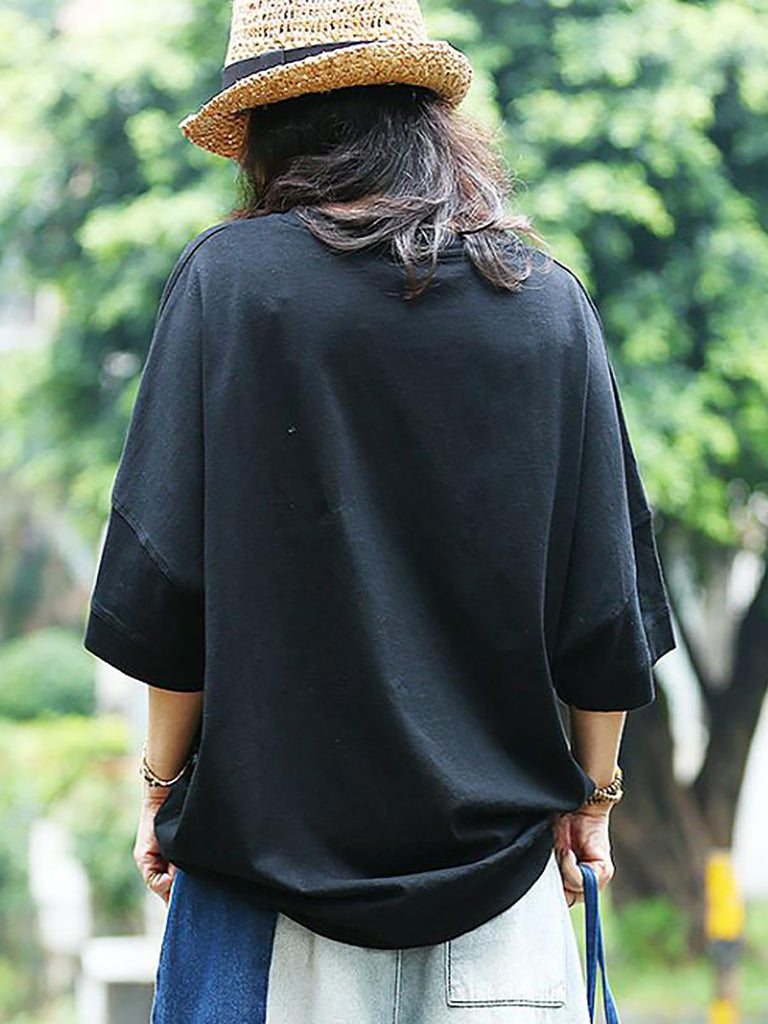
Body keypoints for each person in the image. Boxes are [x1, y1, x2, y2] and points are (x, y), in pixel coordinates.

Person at [82, 0, 677, 1021]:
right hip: (505, 912)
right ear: (424, 115)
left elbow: (167, 592)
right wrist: (596, 796)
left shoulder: (228, 286)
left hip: (265, 910)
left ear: (268, 131)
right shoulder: (549, 304)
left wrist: (159, 785)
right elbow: (603, 613)